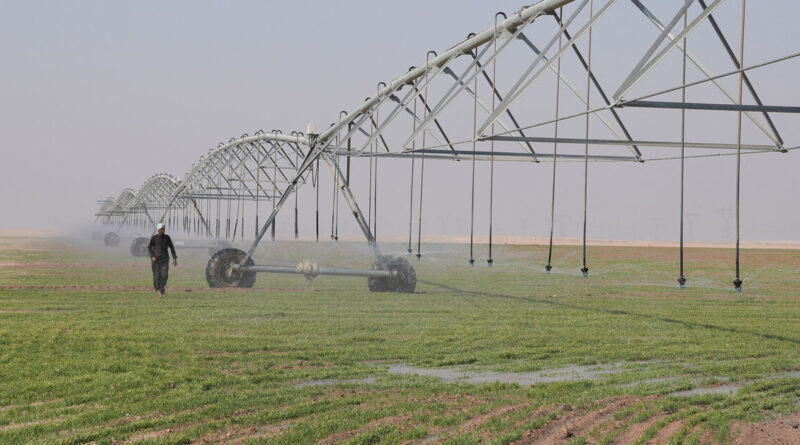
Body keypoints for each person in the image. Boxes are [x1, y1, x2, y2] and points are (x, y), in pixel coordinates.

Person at [148, 222, 177, 297]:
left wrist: (174, 258)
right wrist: (152, 256)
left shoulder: (167, 238)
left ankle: (162, 287)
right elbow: (149, 247)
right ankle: (159, 291)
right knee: (157, 276)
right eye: (161, 229)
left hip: (165, 260)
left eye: (163, 229)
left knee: (164, 275)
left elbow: (172, 247)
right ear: (158, 230)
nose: (163, 230)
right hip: (156, 260)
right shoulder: (154, 238)